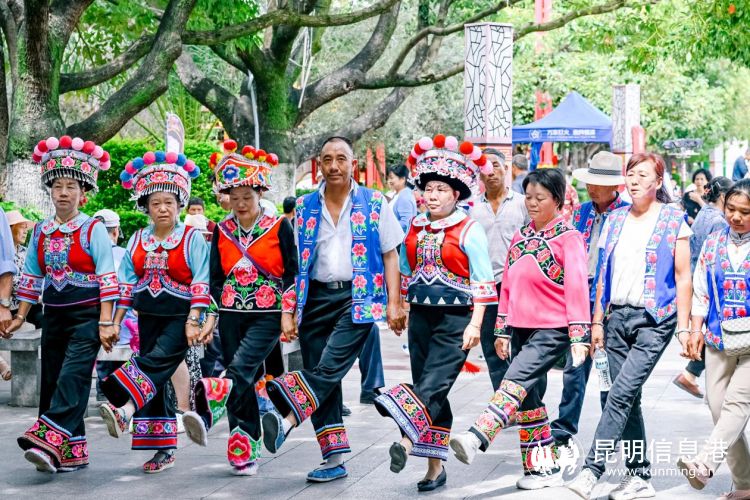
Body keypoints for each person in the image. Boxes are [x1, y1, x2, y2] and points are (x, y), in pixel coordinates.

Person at [262, 136, 406, 483]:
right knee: (321, 373)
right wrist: (288, 310)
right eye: (327, 159)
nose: (334, 165)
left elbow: (390, 254)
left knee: (329, 366)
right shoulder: (305, 206)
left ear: (353, 164)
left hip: (358, 298)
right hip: (314, 299)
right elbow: (295, 265)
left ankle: (287, 417)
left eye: (341, 158)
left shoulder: (374, 203)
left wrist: (394, 302)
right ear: (319, 166)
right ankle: (334, 458)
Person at [449, 168, 591, 491]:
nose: (532, 203)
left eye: (540, 197)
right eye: (528, 197)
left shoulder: (569, 237)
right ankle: (542, 469)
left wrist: (579, 336)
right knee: (529, 396)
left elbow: (577, 287)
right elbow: (509, 286)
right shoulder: (521, 236)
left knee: (514, 379)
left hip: (553, 328)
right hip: (521, 328)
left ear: (557, 200)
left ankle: (477, 436)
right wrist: (501, 329)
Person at [566, 152, 692, 500]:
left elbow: (683, 277)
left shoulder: (674, 220)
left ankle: (592, 470)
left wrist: (684, 327)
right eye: (631, 174)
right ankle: (639, 476)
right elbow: (602, 274)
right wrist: (596, 321)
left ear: (658, 181)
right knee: (623, 397)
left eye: (643, 175)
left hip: (655, 320)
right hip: (615, 319)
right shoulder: (615, 219)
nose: (635, 181)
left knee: (620, 393)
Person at [375, 135, 497, 492]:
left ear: (456, 194)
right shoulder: (415, 225)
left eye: (441, 189)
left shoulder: (469, 229)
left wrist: (476, 324)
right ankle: (434, 468)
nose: (432, 195)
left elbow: (483, 282)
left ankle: (405, 441)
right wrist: (400, 307)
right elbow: (407, 270)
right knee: (434, 394)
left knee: (432, 386)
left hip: (456, 320)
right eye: (428, 188)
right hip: (422, 318)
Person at [179, 140, 297, 477]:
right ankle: (243, 446)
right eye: (234, 197)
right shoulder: (222, 230)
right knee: (241, 376)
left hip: (268, 313)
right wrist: (210, 317)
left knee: (242, 366)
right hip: (231, 314)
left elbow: (293, 272)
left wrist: (288, 312)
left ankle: (212, 399)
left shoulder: (279, 226)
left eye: (247, 196)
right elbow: (215, 278)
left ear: (260, 193)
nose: (241, 203)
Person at [5, 136, 119, 473]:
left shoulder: (93, 229)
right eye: (58, 186)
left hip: (88, 316)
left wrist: (106, 322)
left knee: (74, 375)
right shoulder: (41, 230)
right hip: (53, 315)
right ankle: (71, 451)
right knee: (53, 378)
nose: (64, 193)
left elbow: (108, 278)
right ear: (50, 192)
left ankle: (47, 439)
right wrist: (19, 316)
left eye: (71, 186)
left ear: (83, 193)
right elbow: (31, 278)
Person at [98, 150, 209, 474]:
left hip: (180, 318)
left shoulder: (191, 238)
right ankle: (163, 449)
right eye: (156, 202)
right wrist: (115, 323)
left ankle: (124, 408)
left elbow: (202, 281)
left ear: (179, 205)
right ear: (146, 206)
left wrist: (194, 320)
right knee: (157, 378)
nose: (163, 208)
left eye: (169, 202)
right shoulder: (137, 239)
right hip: (147, 317)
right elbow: (126, 285)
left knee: (157, 361)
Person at [677, 179, 750, 500]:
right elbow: (702, 290)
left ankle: (705, 464)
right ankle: (746, 484)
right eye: (731, 209)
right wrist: (695, 331)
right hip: (719, 339)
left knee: (736, 404)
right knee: (719, 409)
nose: (736, 217)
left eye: (745, 212)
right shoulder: (714, 241)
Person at [552, 152, 629, 447]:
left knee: (608, 367)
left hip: (610, 300)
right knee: (575, 365)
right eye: (590, 182)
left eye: (599, 184)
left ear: (615, 186)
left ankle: (611, 429)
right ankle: (563, 428)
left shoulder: (626, 214)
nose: (592, 188)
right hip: (580, 295)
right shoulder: (582, 211)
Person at [468, 148, 528, 390]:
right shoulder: (472, 208)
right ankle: (503, 401)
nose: (490, 171)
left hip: (519, 286)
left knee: (523, 347)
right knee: (492, 349)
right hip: (487, 288)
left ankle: (529, 400)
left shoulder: (523, 203)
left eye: (495, 165)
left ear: (506, 169)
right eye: (485, 166)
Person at [674, 176, 732, 399]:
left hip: (694, 278)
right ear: (724, 197)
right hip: (707, 283)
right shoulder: (719, 221)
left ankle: (691, 375)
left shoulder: (704, 213)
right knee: (719, 332)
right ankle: (692, 375)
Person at [0, 209, 26, 380]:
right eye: (21, 227)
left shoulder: (25, 252)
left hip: (19, 303)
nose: (25, 231)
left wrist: (4, 305)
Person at [387, 163, 418, 232]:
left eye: (391, 178)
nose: (389, 181)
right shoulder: (397, 194)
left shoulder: (405, 197)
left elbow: (406, 223)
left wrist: (387, 228)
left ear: (402, 179)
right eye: (389, 178)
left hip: (400, 237)